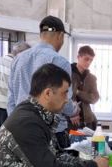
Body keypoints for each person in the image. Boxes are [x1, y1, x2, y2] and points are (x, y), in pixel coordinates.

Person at [7, 16, 78, 149]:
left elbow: (11, 99)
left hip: (21, 130)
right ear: (60, 36)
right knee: (55, 163)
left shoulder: (18, 59)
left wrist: (15, 126)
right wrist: (74, 110)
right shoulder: (59, 62)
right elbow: (64, 102)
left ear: (41, 34)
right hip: (51, 133)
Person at [70, 45, 100, 130]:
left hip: (87, 120)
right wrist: (71, 113)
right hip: (70, 120)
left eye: (91, 60)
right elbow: (64, 97)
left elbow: (94, 98)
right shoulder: (67, 74)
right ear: (78, 57)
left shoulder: (92, 78)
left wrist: (78, 92)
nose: (89, 62)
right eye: (86, 59)